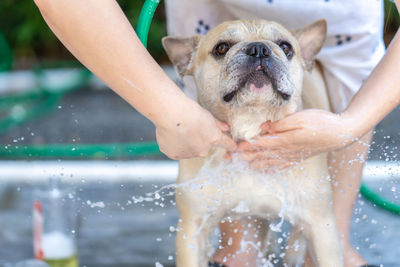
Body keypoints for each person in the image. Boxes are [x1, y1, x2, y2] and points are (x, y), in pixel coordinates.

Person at [33, 0, 400, 266]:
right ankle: (238, 248)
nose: (258, 56)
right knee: (233, 249)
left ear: (303, 56)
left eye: (282, 50)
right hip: (210, 8)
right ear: (185, 64)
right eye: (226, 50)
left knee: (327, 235)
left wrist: (350, 123)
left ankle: (324, 246)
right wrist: (170, 112)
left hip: (343, 19)